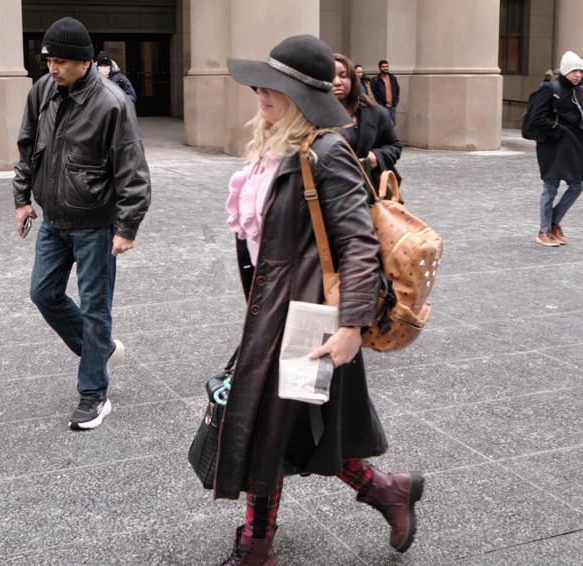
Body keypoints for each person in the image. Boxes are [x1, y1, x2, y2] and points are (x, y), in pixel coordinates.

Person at [218, 34, 424, 565]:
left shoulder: (328, 151)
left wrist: (351, 325)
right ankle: (387, 490)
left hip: (311, 315)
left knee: (270, 425)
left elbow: (358, 242)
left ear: (302, 96)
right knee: (288, 427)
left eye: (274, 86)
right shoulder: (275, 146)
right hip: (273, 310)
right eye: (261, 81)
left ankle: (256, 547)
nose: (261, 91)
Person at [12, 17, 152, 430]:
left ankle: (94, 395)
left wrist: (127, 228)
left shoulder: (112, 102)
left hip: (96, 224)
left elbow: (133, 172)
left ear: (84, 61)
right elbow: (27, 149)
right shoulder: (42, 92)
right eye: (48, 61)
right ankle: (100, 350)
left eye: (59, 62)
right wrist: (22, 199)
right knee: (43, 293)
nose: (52, 69)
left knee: (95, 308)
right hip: (54, 219)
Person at [529, 51, 583, 247]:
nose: (578, 75)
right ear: (565, 71)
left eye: (580, 71)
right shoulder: (550, 88)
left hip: (574, 147)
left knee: (577, 186)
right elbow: (537, 118)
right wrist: (559, 131)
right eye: (574, 71)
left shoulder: (580, 90)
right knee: (550, 188)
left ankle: (553, 223)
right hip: (553, 147)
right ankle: (543, 231)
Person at [333, 53, 402, 187]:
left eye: (343, 76)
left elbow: (394, 146)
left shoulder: (376, 113)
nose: (337, 82)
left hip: (365, 194)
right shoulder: (308, 116)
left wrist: (377, 157)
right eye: (329, 77)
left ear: (352, 79)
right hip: (320, 198)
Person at [370, 59, 400, 125]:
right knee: (384, 124)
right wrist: (378, 104)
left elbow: (397, 90)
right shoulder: (375, 80)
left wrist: (395, 101)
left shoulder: (392, 78)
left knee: (392, 124)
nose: (385, 68)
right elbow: (373, 93)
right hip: (382, 106)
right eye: (383, 67)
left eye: (387, 66)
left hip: (392, 106)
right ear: (379, 68)